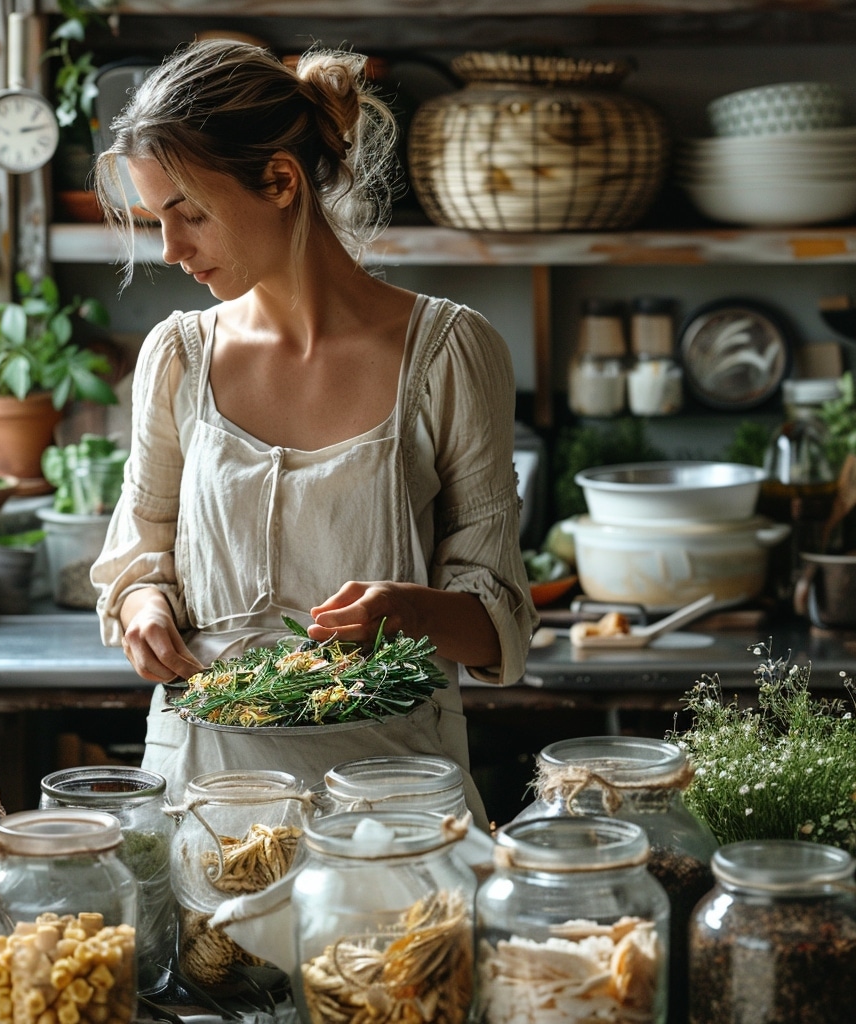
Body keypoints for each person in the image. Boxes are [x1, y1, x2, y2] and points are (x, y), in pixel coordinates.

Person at [90, 38, 539, 828]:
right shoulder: (178, 356)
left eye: (189, 213)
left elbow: (496, 612)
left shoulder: (449, 351)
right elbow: (140, 556)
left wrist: (413, 610)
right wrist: (143, 611)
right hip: (205, 793)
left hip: (391, 803)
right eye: (157, 220)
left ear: (280, 180)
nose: (172, 249)